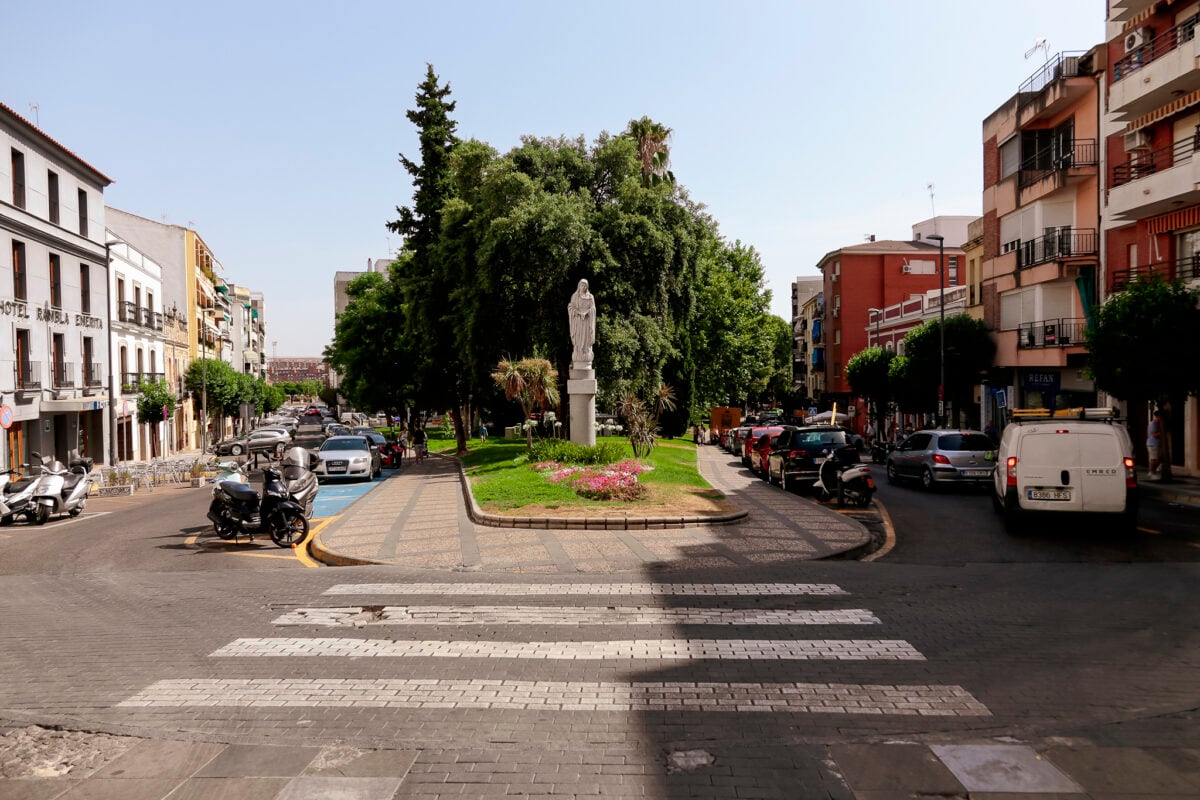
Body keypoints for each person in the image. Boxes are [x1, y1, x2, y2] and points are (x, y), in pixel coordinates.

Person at [568, 278, 596, 363]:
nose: (583, 287)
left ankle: (586, 352)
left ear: (587, 287)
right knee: (578, 338)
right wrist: (578, 313)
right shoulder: (575, 296)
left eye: (585, 285)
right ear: (579, 286)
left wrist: (587, 312)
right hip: (578, 321)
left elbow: (593, 308)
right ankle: (578, 352)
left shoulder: (590, 297)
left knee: (586, 338)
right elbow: (570, 307)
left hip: (587, 320)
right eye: (582, 285)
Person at [1147, 408, 1163, 480]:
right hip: (1153, 444)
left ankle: (1152, 472)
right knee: (1154, 460)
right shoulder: (1153, 423)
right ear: (1158, 416)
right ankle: (1152, 473)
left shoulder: (1157, 423)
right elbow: (1154, 434)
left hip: (1156, 444)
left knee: (1157, 459)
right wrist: (1162, 433)